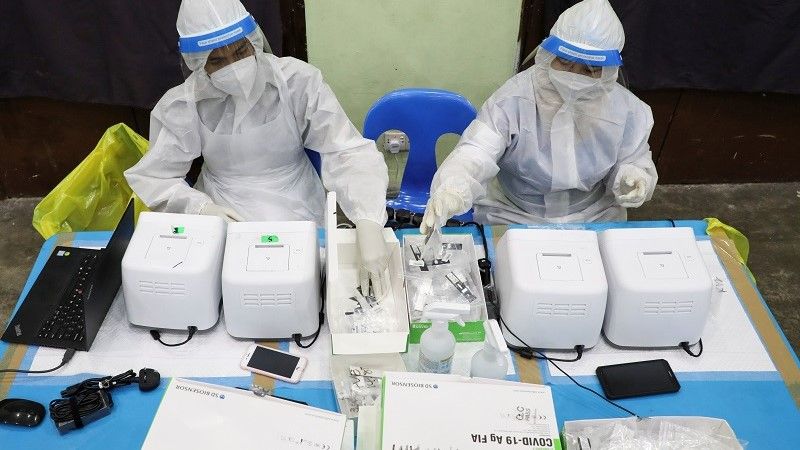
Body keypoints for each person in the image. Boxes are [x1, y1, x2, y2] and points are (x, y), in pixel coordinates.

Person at [125, 0, 389, 295]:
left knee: (302, 284)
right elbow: (155, 177)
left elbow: (347, 151)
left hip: (297, 202)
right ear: (197, 63)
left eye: (240, 51)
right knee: (231, 291)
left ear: (254, 41)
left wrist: (367, 220)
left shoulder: (297, 81)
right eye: (217, 60)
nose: (234, 67)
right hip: (223, 208)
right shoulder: (183, 105)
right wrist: (200, 208)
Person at [420, 0, 657, 234]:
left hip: (594, 216)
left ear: (609, 72)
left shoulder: (627, 111)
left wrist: (633, 177)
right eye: (565, 63)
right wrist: (454, 187)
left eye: (590, 70)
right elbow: (477, 151)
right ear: (549, 54)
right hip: (514, 214)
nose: (574, 77)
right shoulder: (512, 100)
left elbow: (633, 159)